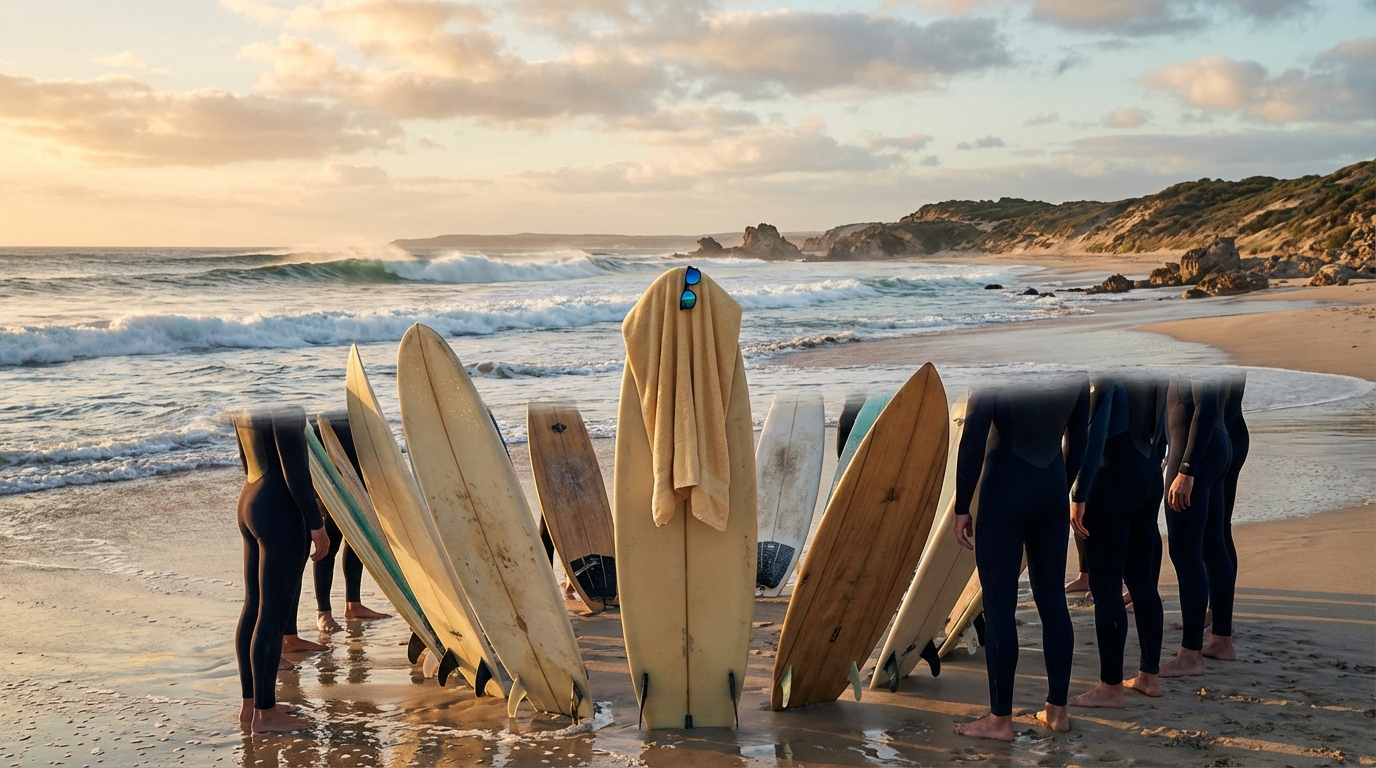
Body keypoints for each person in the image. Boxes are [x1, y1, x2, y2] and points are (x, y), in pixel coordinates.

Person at [953, 375, 1090, 741]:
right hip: (1050, 488)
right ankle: (1057, 712)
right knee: (1052, 600)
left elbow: (973, 439)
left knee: (1000, 608)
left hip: (1004, 490)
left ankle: (999, 720)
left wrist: (962, 505)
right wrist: (1059, 484)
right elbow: (1079, 441)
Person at [1066, 374, 1168, 708]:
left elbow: (1094, 433)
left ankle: (1110, 688)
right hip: (1148, 471)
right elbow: (1163, 426)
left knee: (1107, 587)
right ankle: (1149, 677)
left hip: (1113, 478)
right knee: (1142, 581)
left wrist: (1079, 492)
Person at [234, 406, 330, 733]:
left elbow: (248, 460)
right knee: (272, 615)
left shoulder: (247, 400)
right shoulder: (284, 401)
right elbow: (295, 471)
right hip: (279, 509)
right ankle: (266, 714)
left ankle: (251, 707)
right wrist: (316, 524)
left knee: (253, 607)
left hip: (250, 498)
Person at [1159, 371, 1235, 677]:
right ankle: (1221, 640)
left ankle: (1190, 654)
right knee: (1212, 544)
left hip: (1197, 453)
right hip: (1211, 446)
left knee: (1185, 551)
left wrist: (1186, 468)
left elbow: (1205, 405)